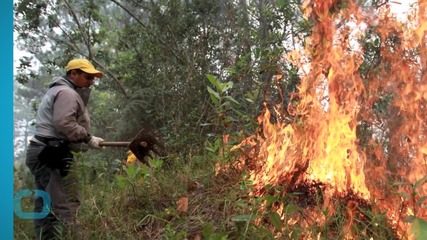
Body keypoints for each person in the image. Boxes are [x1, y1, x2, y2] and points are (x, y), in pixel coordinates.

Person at [25, 59, 105, 239]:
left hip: (41, 151)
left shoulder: (56, 90)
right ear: (73, 74)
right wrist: (88, 137)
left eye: (93, 78)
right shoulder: (67, 93)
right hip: (51, 153)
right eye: (87, 77)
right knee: (67, 204)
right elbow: (64, 123)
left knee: (45, 206)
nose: (91, 81)